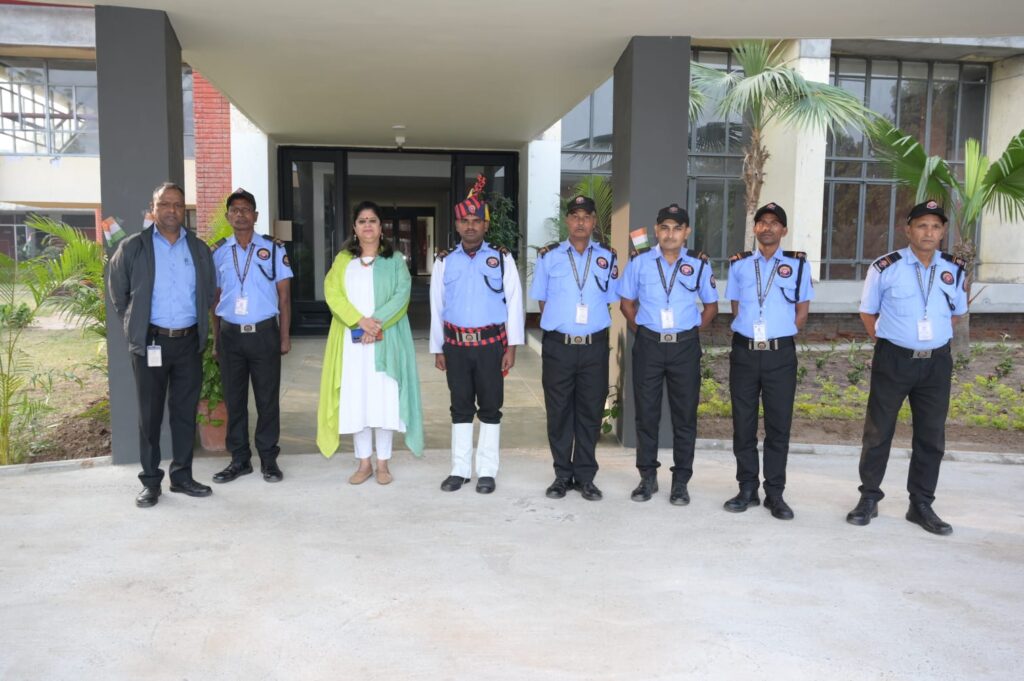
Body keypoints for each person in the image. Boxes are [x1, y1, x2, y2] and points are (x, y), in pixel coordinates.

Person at [846, 200, 968, 536]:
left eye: (935, 226)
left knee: (931, 435)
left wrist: (930, 339)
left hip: (936, 363)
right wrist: (893, 341)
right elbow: (868, 313)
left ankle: (921, 504)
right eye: (922, 225)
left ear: (942, 232)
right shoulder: (885, 267)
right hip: (894, 360)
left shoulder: (954, 269)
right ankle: (869, 498)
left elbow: (956, 313)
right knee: (878, 432)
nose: (929, 232)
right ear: (908, 230)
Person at [108, 181, 216, 507]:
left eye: (178, 205)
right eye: (165, 204)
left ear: (185, 210)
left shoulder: (198, 249)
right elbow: (118, 294)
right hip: (150, 344)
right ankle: (151, 482)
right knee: (150, 416)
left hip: (188, 343)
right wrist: (135, 326)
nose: (172, 210)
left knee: (184, 414)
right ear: (153, 209)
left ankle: (182, 477)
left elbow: (208, 292)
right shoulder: (133, 247)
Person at [316, 201, 424, 481]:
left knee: (384, 399)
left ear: (380, 227)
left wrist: (374, 324)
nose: (367, 225)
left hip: (386, 340)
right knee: (358, 399)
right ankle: (364, 463)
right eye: (362, 221)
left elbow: (402, 294)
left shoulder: (394, 260)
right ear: (354, 228)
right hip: (351, 342)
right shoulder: (343, 260)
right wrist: (358, 321)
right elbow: (332, 293)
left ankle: (384, 464)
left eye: (372, 220)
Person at [430, 176, 524, 494]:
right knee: (460, 407)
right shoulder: (444, 261)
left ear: (486, 225)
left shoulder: (502, 258)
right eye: (465, 221)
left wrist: (512, 346)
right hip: (456, 346)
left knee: (490, 407)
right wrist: (438, 348)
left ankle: (486, 470)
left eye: (476, 221)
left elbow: (514, 303)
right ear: (457, 225)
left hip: (490, 347)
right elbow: (437, 307)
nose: (470, 226)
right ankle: (459, 469)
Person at [619, 203, 718, 504]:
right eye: (665, 228)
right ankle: (647, 478)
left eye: (677, 228)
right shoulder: (639, 263)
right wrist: (643, 330)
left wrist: (690, 332)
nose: (670, 234)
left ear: (686, 232)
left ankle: (681, 482)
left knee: (684, 416)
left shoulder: (699, 265)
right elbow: (626, 303)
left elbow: (711, 306)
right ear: (656, 231)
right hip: (649, 345)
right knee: (646, 414)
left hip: (684, 347)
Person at [724, 202, 813, 520]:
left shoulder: (798, 265)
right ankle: (747, 488)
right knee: (743, 424)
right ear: (755, 228)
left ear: (783, 230)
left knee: (778, 426)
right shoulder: (739, 265)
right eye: (762, 222)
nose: (768, 227)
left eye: (775, 222)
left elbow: (802, 311)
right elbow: (736, 307)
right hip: (745, 353)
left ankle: (775, 493)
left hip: (780, 355)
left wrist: (778, 334)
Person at [531, 195, 619, 502]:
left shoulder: (608, 257)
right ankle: (561, 475)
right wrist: (563, 326)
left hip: (594, 347)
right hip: (559, 347)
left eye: (586, 217)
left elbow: (611, 298)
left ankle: (585, 477)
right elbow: (543, 301)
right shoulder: (549, 257)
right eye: (575, 216)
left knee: (590, 412)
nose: (580, 222)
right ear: (567, 221)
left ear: (594, 222)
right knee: (558, 412)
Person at [209, 188, 292, 485]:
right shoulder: (218, 252)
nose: (240, 214)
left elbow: (284, 298)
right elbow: (215, 300)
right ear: (228, 216)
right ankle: (239, 459)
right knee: (234, 400)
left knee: (267, 400)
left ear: (255, 216)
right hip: (231, 335)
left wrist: (284, 337)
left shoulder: (274, 249)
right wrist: (217, 340)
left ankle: (268, 459)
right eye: (235, 210)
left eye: (246, 209)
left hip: (264, 334)